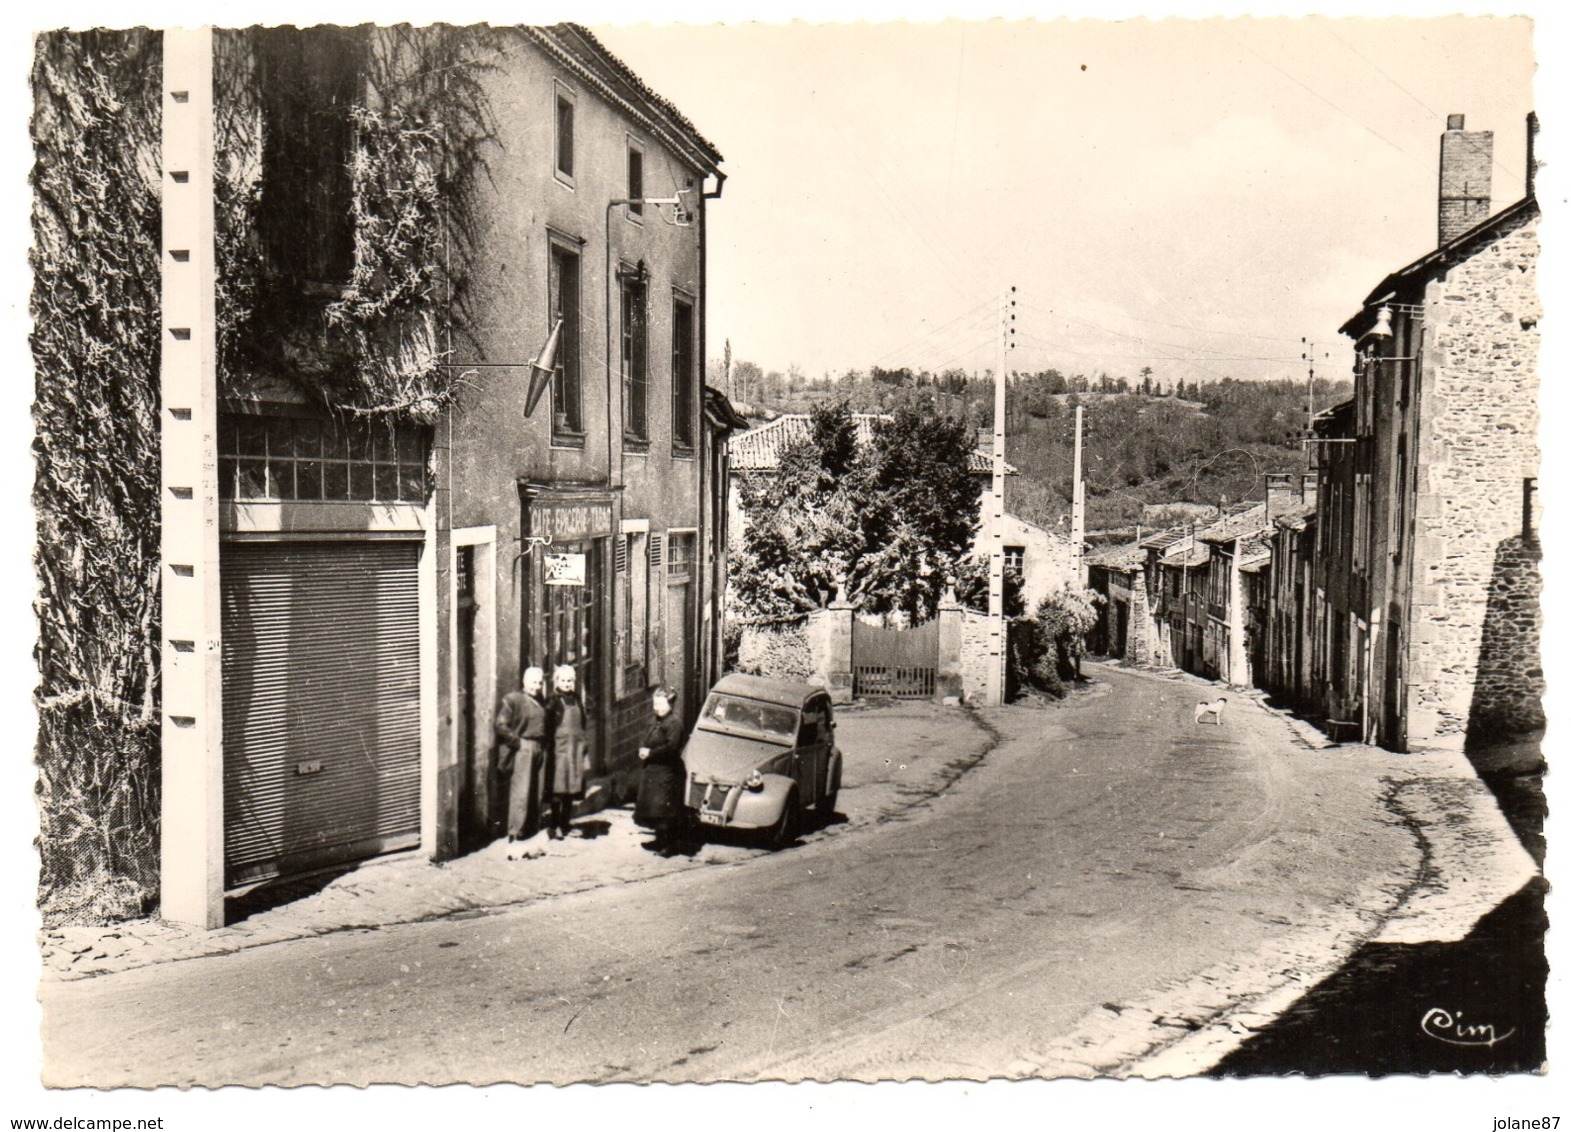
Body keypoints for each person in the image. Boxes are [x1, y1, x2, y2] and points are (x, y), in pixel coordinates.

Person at [495, 666, 549, 843]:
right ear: (525, 682)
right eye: (533, 682)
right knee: (521, 791)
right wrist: (517, 743)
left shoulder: (541, 700)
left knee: (537, 790)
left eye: (539, 683)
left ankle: (531, 828)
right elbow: (501, 725)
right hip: (524, 748)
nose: (536, 686)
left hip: (539, 747)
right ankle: (515, 832)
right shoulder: (513, 700)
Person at [633, 686, 686, 856]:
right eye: (655, 704)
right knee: (653, 808)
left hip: (666, 772)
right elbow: (645, 736)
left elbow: (671, 747)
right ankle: (659, 840)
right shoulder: (654, 720)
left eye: (661, 704)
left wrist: (651, 753)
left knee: (664, 809)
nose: (657, 708)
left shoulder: (674, 723)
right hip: (652, 771)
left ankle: (669, 845)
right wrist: (642, 747)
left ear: (670, 704)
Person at [545, 664, 591, 840]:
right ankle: (554, 825)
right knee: (559, 788)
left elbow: (583, 721)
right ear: (557, 682)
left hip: (576, 749)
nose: (566, 683)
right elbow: (548, 725)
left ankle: (565, 823)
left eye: (569, 681)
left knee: (572, 788)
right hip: (560, 750)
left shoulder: (577, 698)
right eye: (563, 680)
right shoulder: (553, 701)